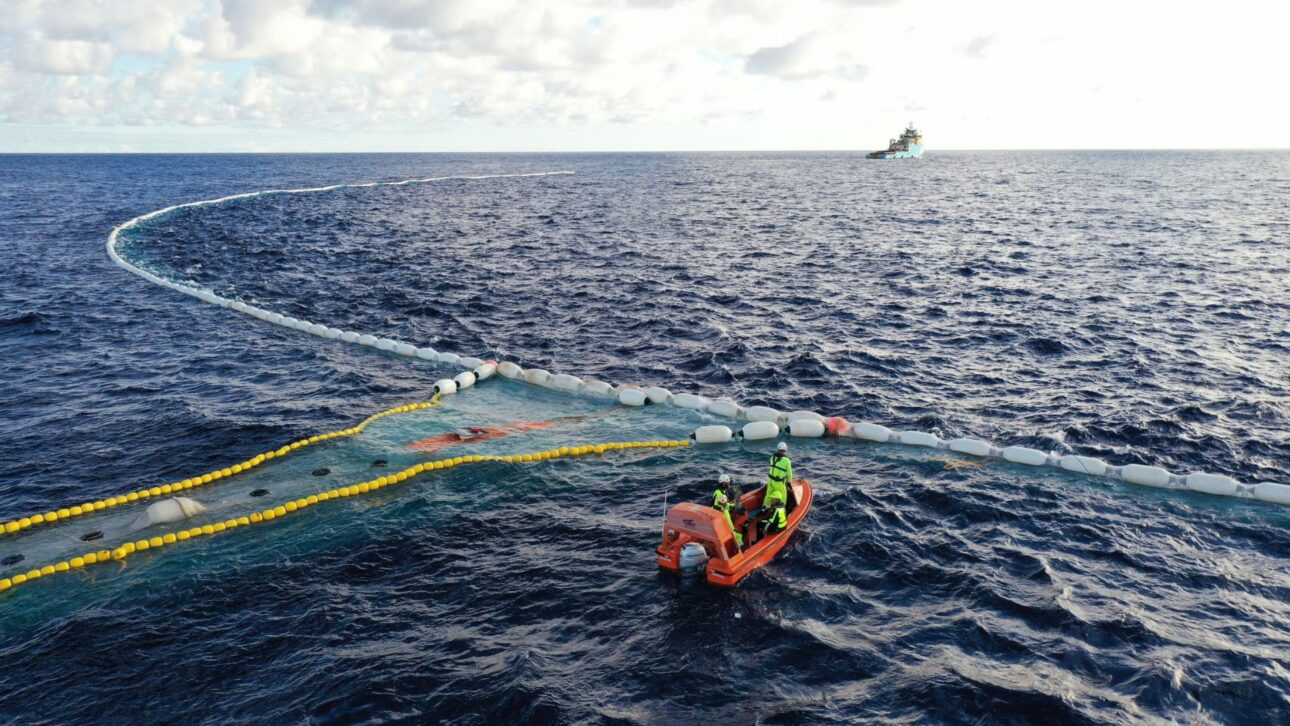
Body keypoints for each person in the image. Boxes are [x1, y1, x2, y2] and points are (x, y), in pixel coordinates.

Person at [761, 441, 792, 536]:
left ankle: (765, 508)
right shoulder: (786, 460)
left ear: (778, 449)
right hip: (778, 482)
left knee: (769, 495)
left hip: (770, 480)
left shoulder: (772, 457)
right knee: (783, 497)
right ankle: (782, 512)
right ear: (785, 450)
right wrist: (789, 482)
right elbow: (789, 473)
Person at [711, 473, 743, 547]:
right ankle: (740, 546)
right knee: (733, 531)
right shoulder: (720, 494)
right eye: (727, 483)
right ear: (724, 483)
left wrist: (732, 505)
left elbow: (723, 503)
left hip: (719, 512)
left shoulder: (719, 491)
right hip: (722, 514)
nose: (729, 485)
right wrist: (735, 507)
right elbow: (724, 506)